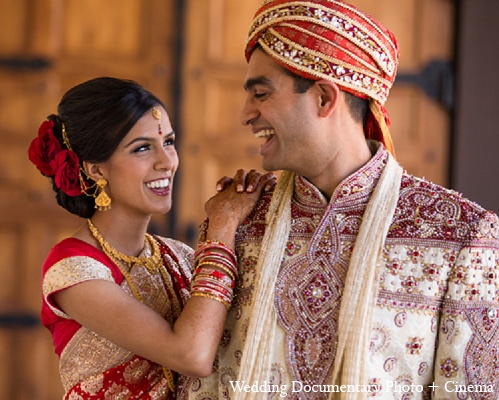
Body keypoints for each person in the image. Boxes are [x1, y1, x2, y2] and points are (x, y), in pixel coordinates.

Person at [178, 1, 499, 399]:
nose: (245, 114)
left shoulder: (459, 233)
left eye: (260, 94)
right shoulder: (240, 219)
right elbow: (200, 384)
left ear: (324, 99)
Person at [27, 77, 275, 399]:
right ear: (96, 170)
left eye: (169, 142)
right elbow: (192, 355)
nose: (167, 161)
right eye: (142, 148)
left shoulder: (178, 256)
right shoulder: (73, 269)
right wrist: (223, 225)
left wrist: (254, 218)